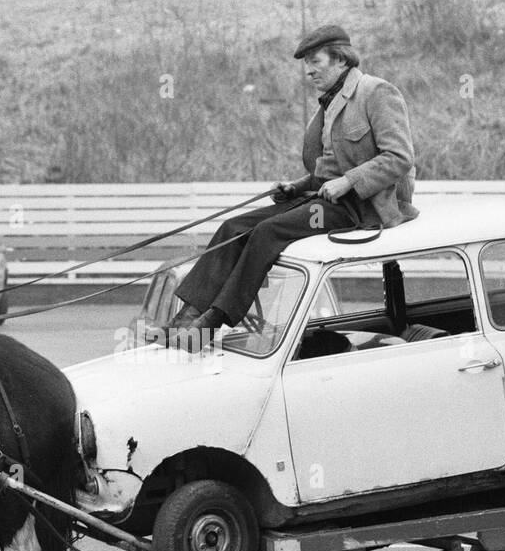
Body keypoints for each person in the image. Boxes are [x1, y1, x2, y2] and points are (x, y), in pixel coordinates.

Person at [171, 25, 418, 348]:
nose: (309, 71)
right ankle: (186, 317)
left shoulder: (377, 92)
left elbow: (400, 157)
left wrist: (348, 182)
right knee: (234, 226)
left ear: (340, 60)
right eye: (306, 64)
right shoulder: (329, 103)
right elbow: (328, 170)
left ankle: (211, 322)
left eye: (315, 61)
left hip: (363, 208)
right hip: (327, 201)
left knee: (268, 232)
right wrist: (296, 187)